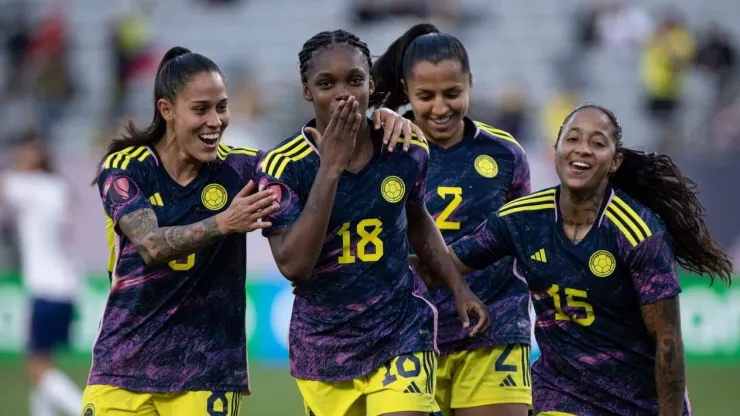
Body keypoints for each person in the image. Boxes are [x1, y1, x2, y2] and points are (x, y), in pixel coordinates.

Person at [83, 44, 422, 416]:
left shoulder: (245, 169)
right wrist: (224, 222)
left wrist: (377, 118)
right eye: (201, 109)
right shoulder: (126, 167)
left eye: (222, 107)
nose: (216, 121)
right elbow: (151, 246)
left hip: (207, 369)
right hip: (123, 364)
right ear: (166, 111)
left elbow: (305, 152)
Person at [420, 103, 734, 416]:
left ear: (615, 161)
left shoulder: (636, 231)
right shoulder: (522, 220)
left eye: (597, 143)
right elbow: (440, 267)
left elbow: (668, 342)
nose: (582, 149)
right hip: (562, 395)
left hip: (639, 403)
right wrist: (380, 263)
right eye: (572, 139)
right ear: (556, 148)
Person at [256, 29, 491, 416]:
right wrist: (329, 168)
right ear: (306, 91)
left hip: (400, 327)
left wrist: (457, 286)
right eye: (326, 83)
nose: (343, 93)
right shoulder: (284, 165)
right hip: (325, 344)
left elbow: (417, 216)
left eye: (354, 80)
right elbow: (295, 266)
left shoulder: (404, 148)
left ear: (370, 83)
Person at [371, 23, 533, 416]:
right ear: (406, 89)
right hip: (405, 332)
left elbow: (522, 236)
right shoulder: (379, 148)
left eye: (452, 93)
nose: (440, 108)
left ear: (470, 84)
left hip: (493, 328)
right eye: (426, 95)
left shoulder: (505, 154)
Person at [0, 135, 83, 416]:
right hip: (67, 285)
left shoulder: (31, 186)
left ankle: (86, 410)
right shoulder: (58, 187)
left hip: (46, 287)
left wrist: (15, 163)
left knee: (35, 368)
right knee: (45, 362)